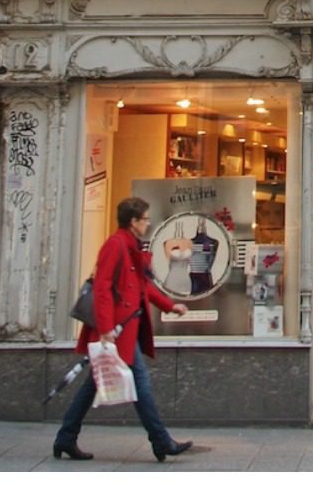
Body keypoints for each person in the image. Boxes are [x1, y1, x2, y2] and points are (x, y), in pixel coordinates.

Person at [53, 197, 194, 463]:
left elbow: (143, 286)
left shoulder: (131, 247)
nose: (148, 223)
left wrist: (170, 306)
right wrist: (105, 329)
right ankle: (161, 441)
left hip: (127, 329)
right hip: (116, 332)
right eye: (145, 219)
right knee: (140, 383)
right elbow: (103, 288)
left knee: (93, 384)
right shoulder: (115, 246)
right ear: (133, 222)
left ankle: (66, 437)